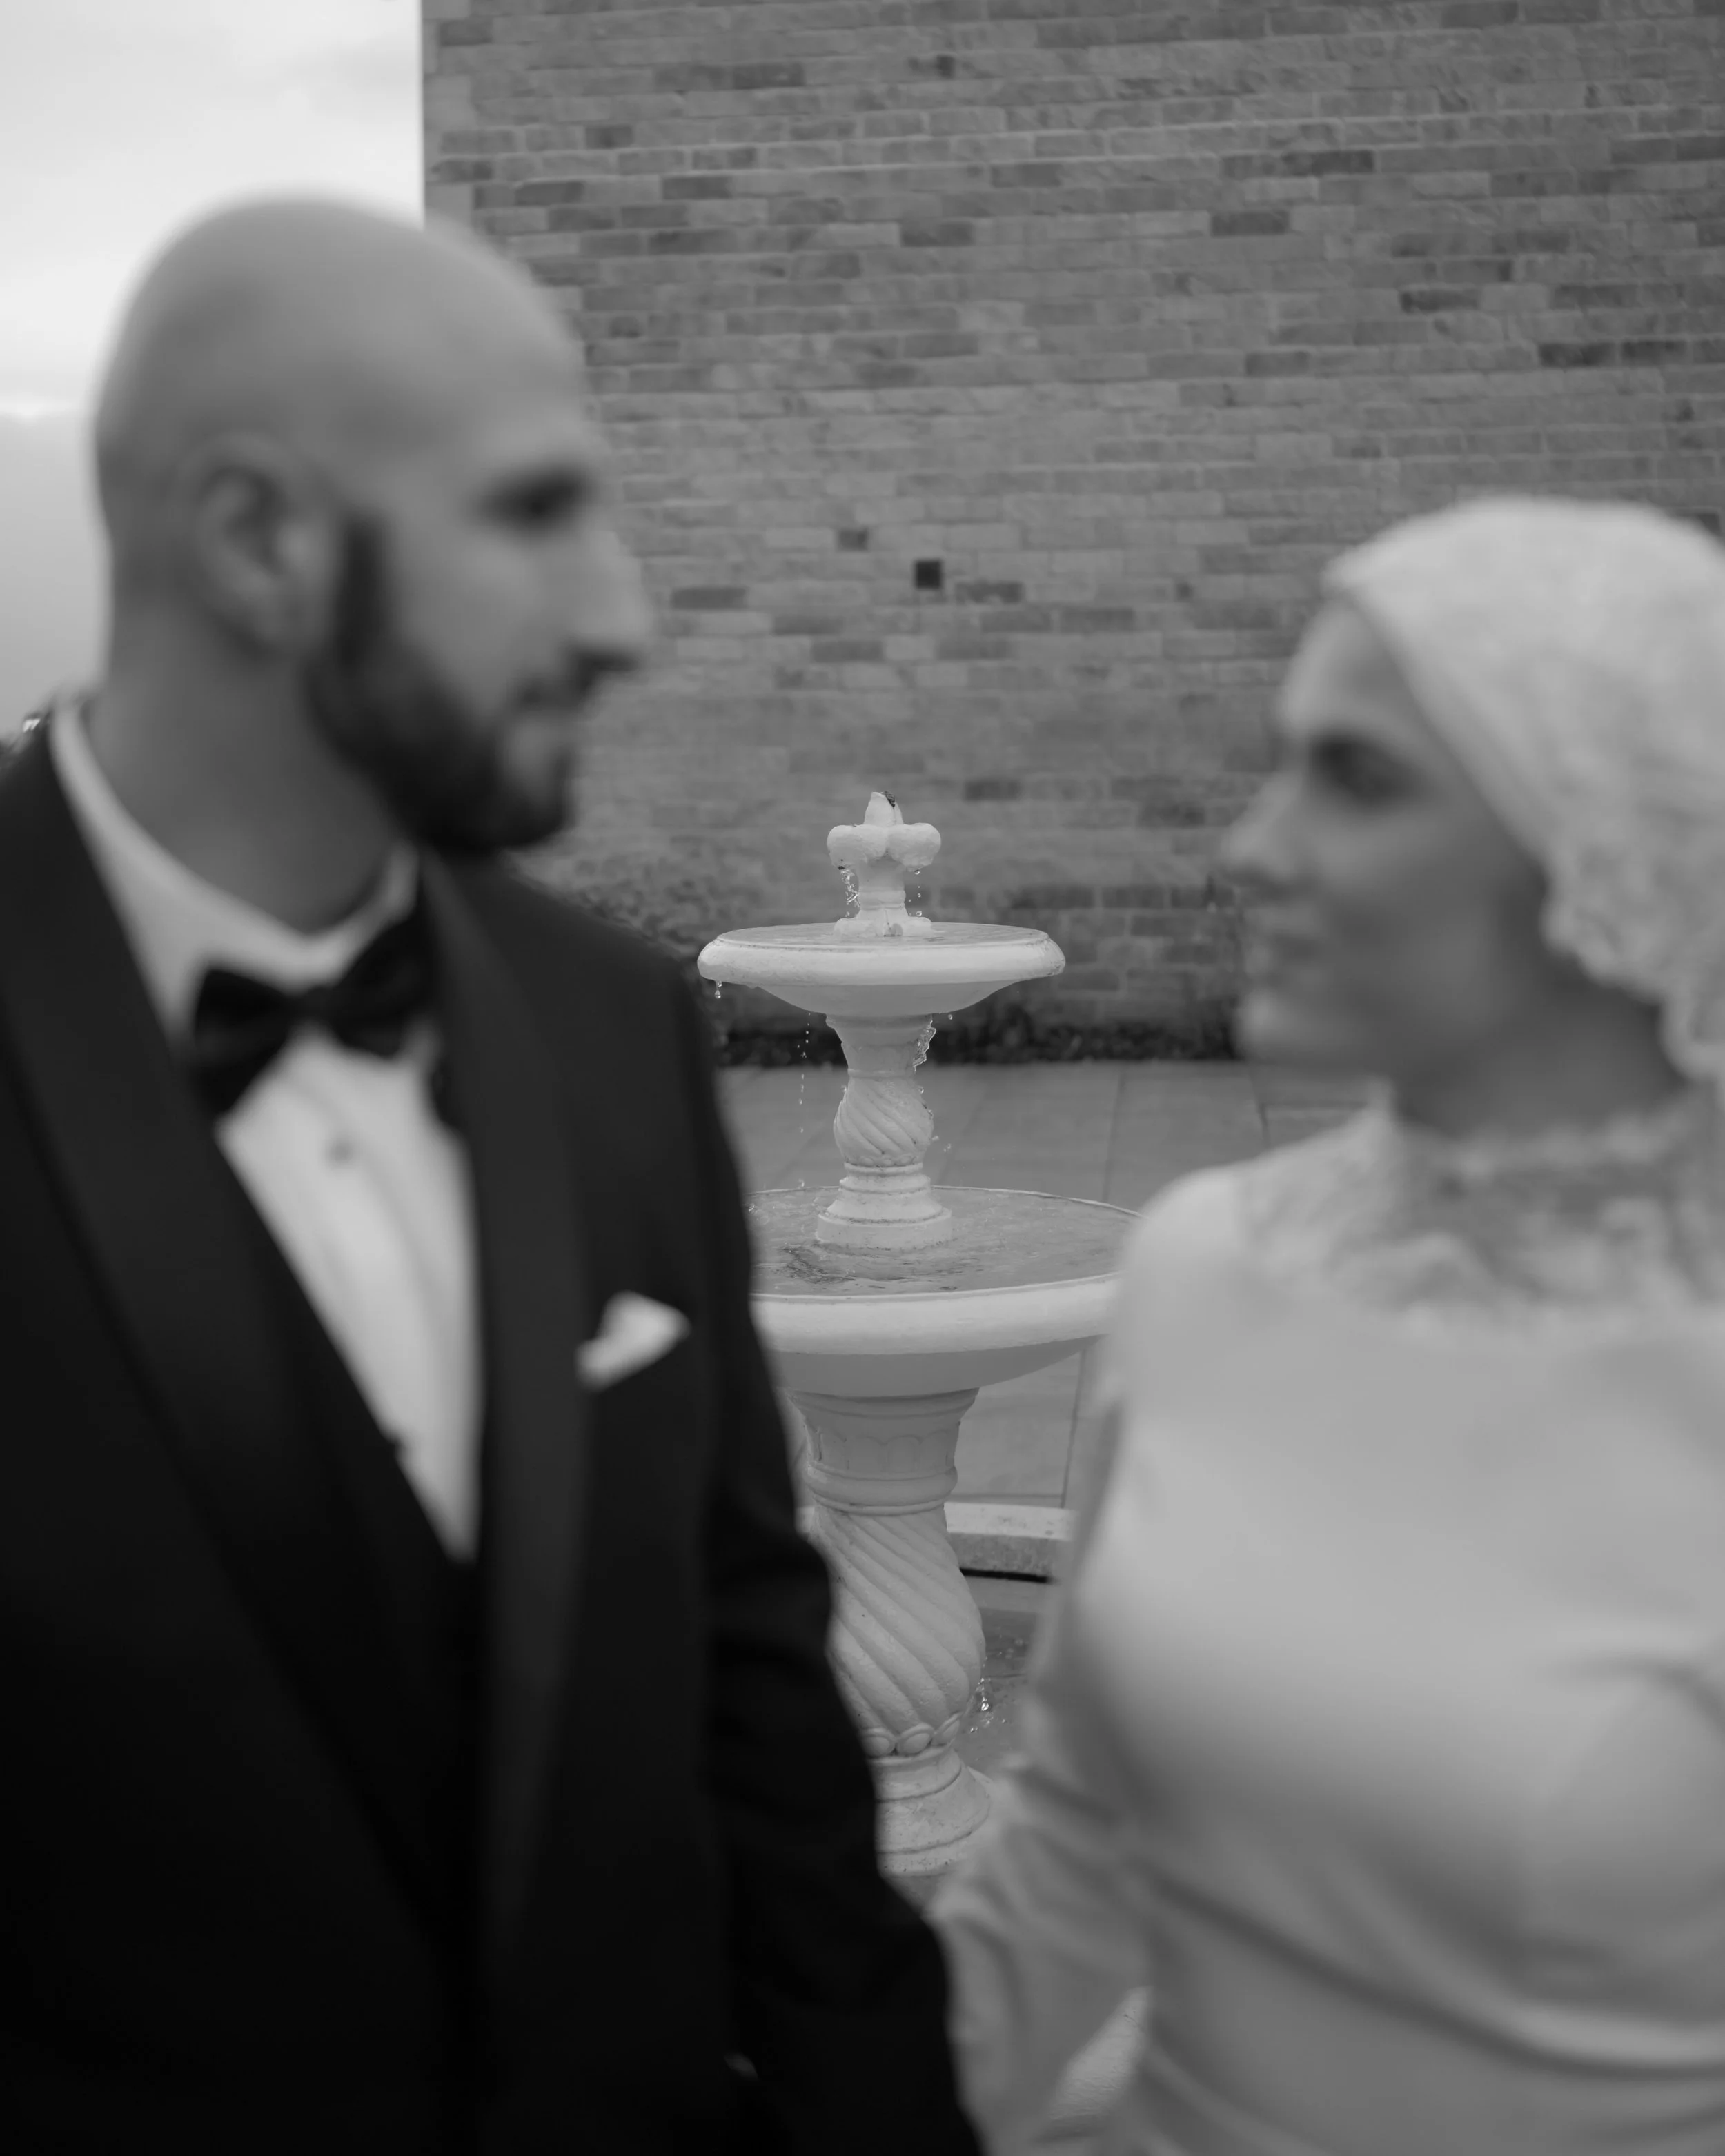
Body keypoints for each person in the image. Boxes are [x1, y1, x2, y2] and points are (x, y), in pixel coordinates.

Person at [0, 199, 980, 2156]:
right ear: (261, 540)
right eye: (533, 515)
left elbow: (746, 1674)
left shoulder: (611, 1027)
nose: (618, 614)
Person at [932, 495, 1725, 2156]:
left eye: (1355, 778)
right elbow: (1070, 1844)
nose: (1249, 846)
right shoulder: (1203, 1266)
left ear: (1604, 852)